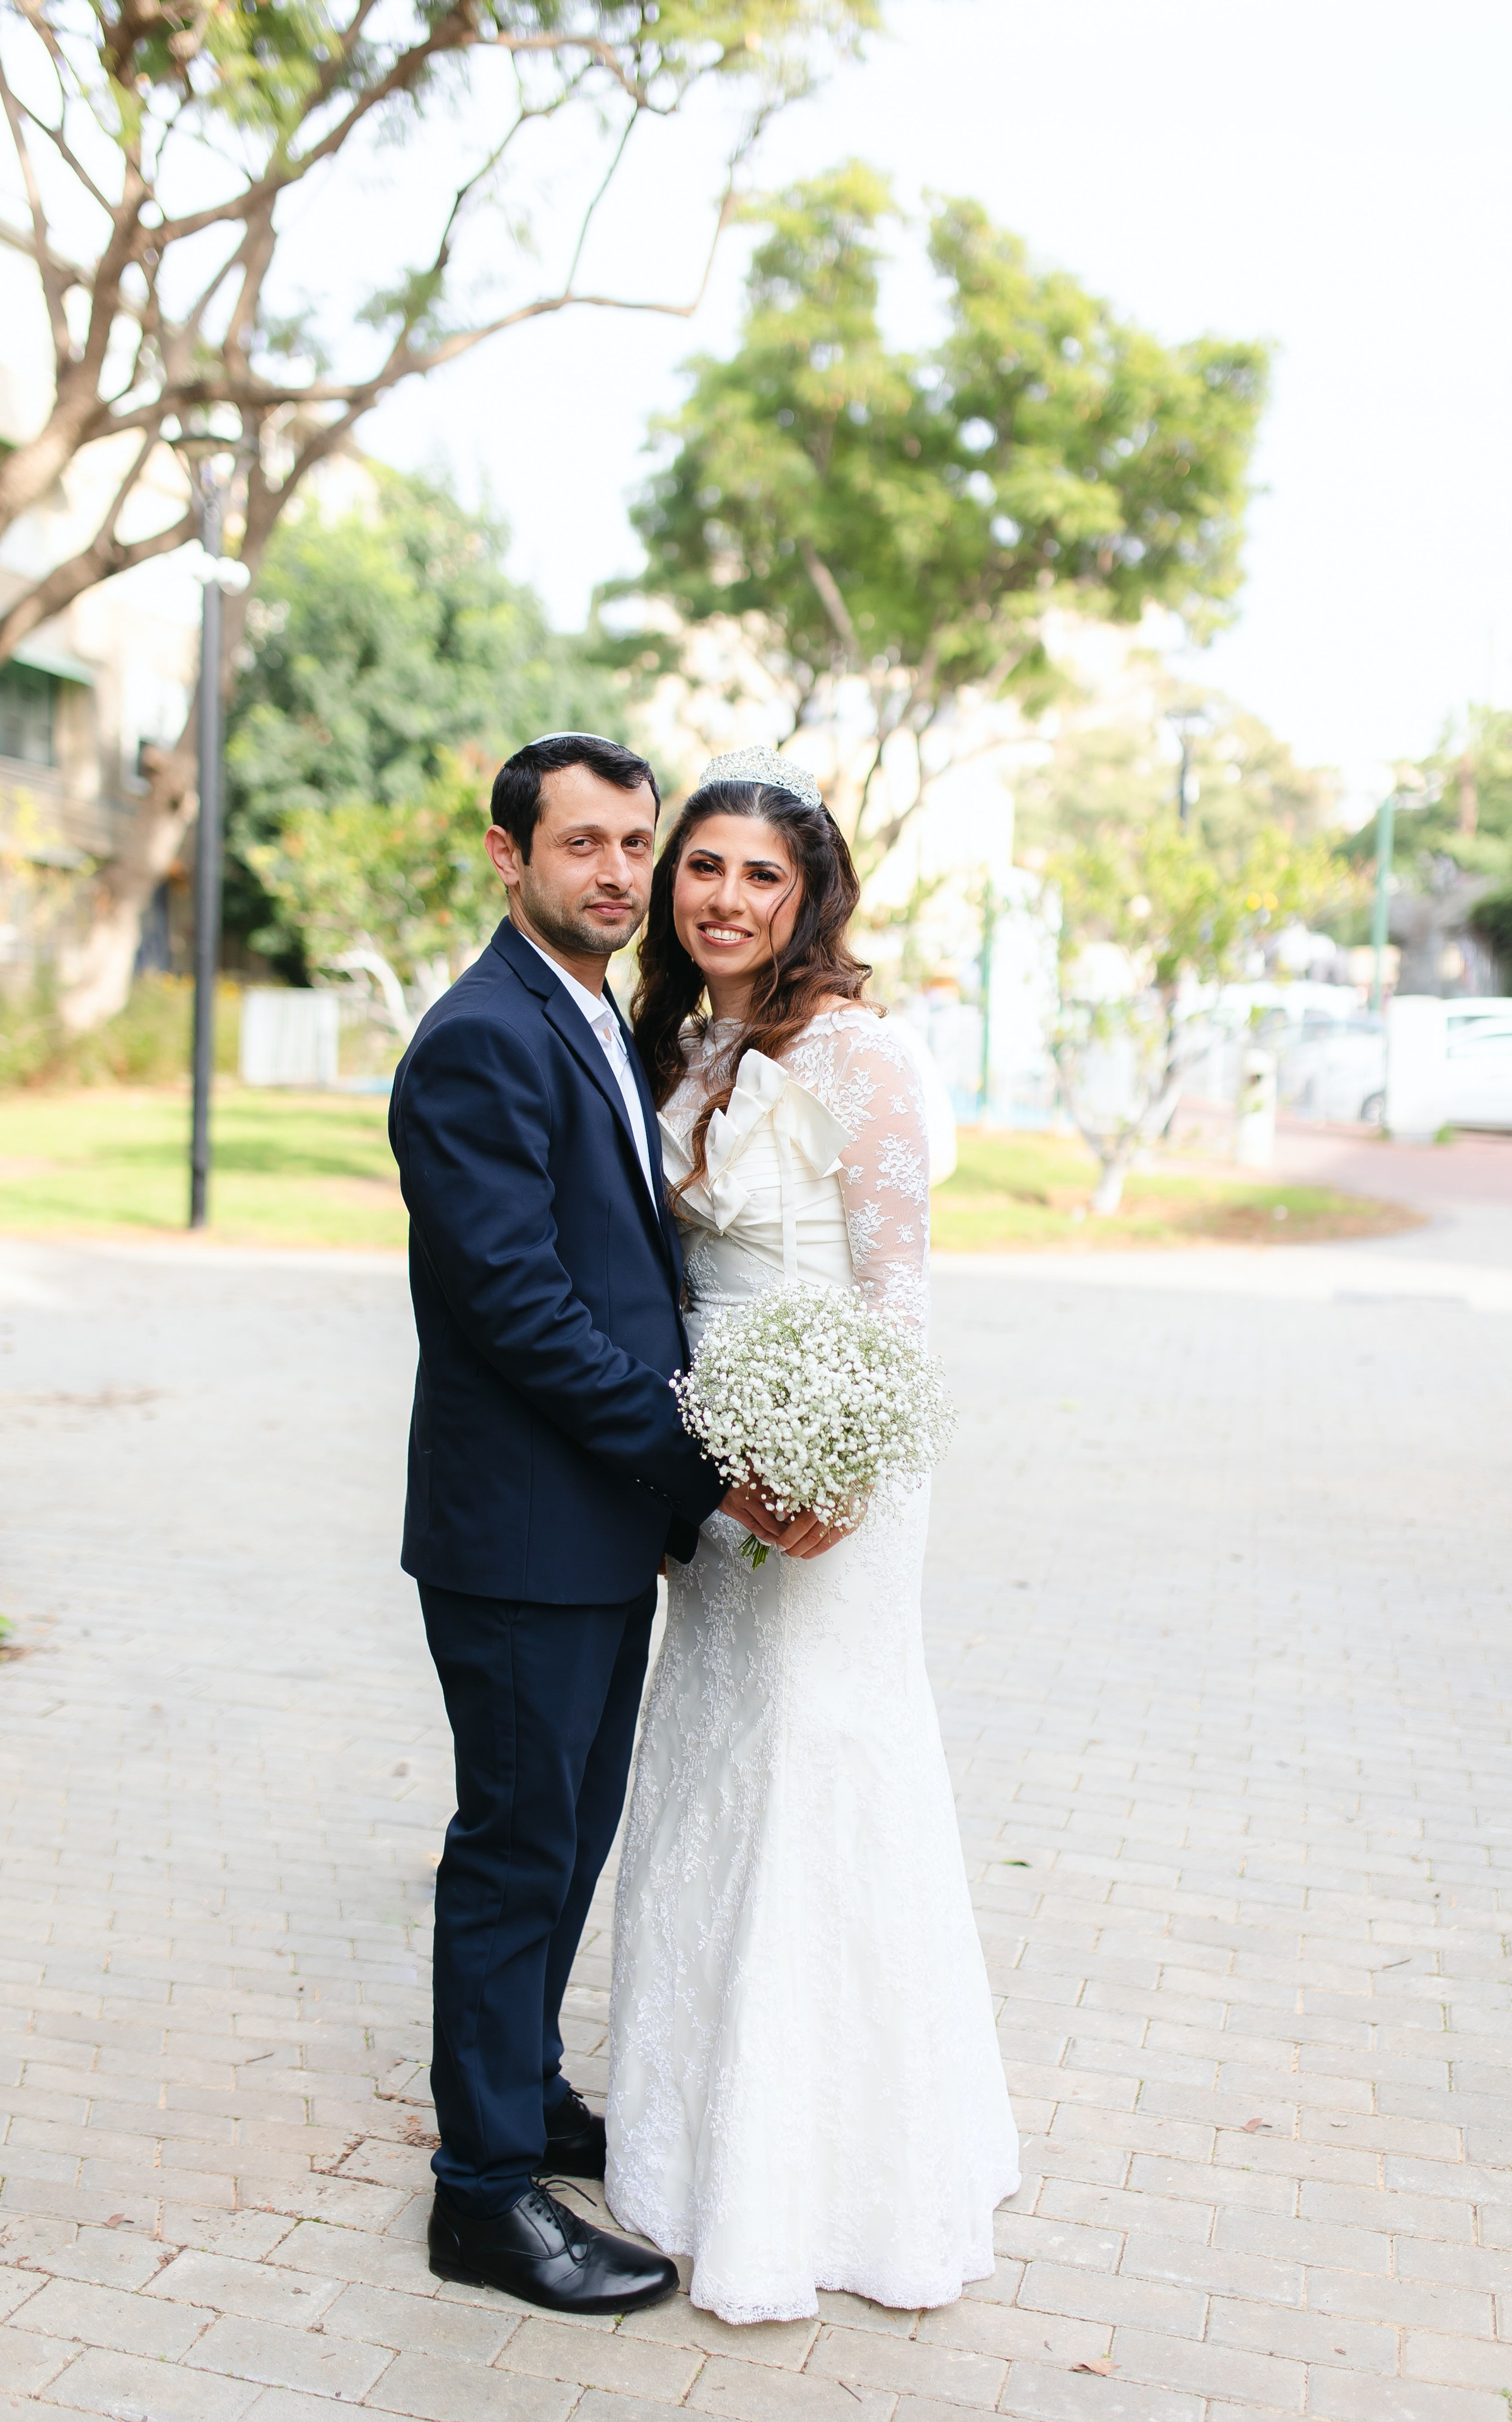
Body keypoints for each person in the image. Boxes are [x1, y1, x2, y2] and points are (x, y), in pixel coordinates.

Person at [388, 733, 836, 2319]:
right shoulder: (477, 1038)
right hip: (518, 1530)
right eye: (582, 843)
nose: (618, 873)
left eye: (633, 844)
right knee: (514, 1852)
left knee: (565, 1834)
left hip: (585, 1529)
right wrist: (706, 1466)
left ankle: (521, 2098)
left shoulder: (587, 1011)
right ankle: (481, 2198)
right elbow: (519, 1307)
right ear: (508, 857)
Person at [605, 745, 1021, 2323]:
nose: (722, 896)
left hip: (829, 1456)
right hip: (714, 1464)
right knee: (717, 1765)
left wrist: (834, 1470)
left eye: (757, 874)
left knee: (817, 1767)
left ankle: (832, 2179)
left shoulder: (854, 1054)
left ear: (808, 895)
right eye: (699, 867)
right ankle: (695, 2148)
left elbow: (896, 1292)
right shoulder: (691, 1042)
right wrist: (695, 1471)